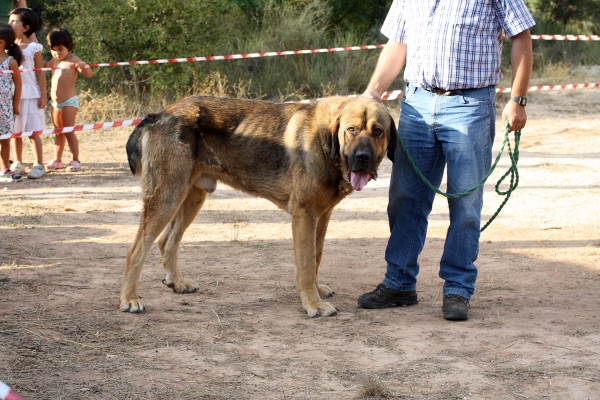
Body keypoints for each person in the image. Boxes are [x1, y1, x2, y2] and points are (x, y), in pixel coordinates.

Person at [358, 0, 535, 321]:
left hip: (471, 104)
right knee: (404, 198)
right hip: (416, 104)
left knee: (466, 202)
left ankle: (457, 288)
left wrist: (518, 99)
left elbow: (521, 37)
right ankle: (398, 282)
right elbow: (398, 44)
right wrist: (372, 94)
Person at [44, 27, 93, 172]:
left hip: (69, 102)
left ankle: (75, 160)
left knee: (69, 131)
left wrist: (83, 66)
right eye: (53, 49)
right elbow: (42, 67)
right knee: (58, 132)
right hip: (55, 103)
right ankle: (57, 160)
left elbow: (89, 74)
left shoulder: (74, 60)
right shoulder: (53, 61)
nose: (56, 53)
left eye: (60, 49)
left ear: (68, 46)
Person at [8, 7, 46, 179]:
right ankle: (18, 162)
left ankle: (39, 164)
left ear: (26, 27)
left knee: (33, 131)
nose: (10, 24)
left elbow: (40, 72)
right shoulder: (7, 47)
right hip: (13, 95)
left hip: (31, 94)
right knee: (16, 131)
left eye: (15, 21)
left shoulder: (34, 47)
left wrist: (44, 95)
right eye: (9, 21)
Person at [0, 22, 22, 182]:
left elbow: (18, 84)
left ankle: (5, 169)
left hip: (5, 109)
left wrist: (15, 106)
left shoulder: (11, 62)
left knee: (5, 140)